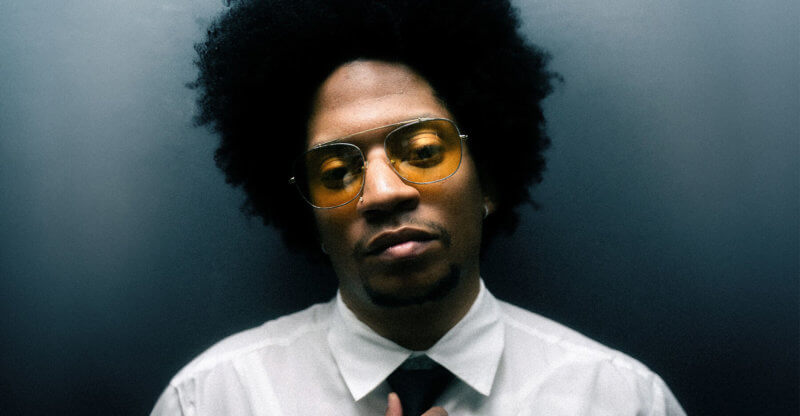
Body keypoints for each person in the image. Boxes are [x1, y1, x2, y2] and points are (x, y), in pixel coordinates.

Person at [152, 0, 685, 414]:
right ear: (307, 215)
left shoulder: (621, 401)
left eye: (425, 151)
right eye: (336, 173)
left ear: (488, 180)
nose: (383, 193)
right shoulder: (211, 400)